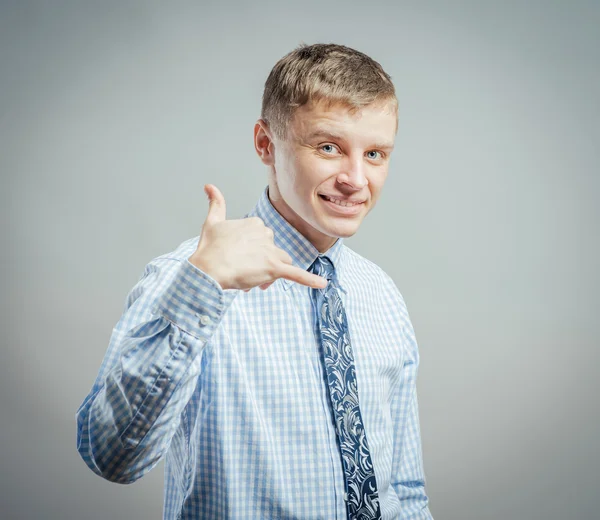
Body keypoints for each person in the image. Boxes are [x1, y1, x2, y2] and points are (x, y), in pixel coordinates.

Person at [76, 43, 433, 520]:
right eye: (328, 147)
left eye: (374, 153)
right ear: (266, 143)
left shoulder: (381, 293)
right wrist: (203, 288)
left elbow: (406, 491)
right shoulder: (188, 278)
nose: (355, 178)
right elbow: (112, 457)